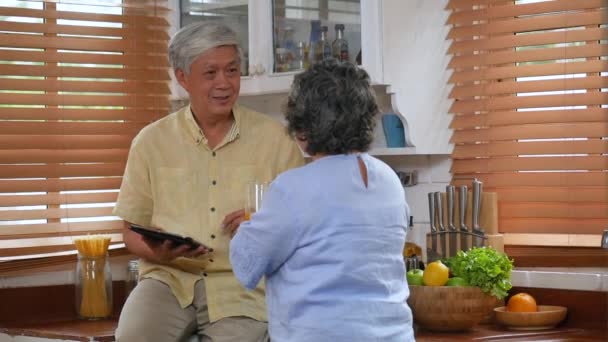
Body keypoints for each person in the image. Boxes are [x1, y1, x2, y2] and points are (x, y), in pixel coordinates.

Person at [113, 22, 304, 342]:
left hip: (243, 285)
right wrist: (159, 252)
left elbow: (302, 225)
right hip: (168, 280)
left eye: (232, 70)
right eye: (210, 73)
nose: (224, 83)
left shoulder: (277, 140)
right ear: (182, 77)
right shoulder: (150, 142)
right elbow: (130, 231)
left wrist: (262, 226)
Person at [229, 60, 415, 341]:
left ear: (302, 128)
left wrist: (246, 227)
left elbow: (246, 266)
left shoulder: (293, 188)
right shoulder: (389, 181)